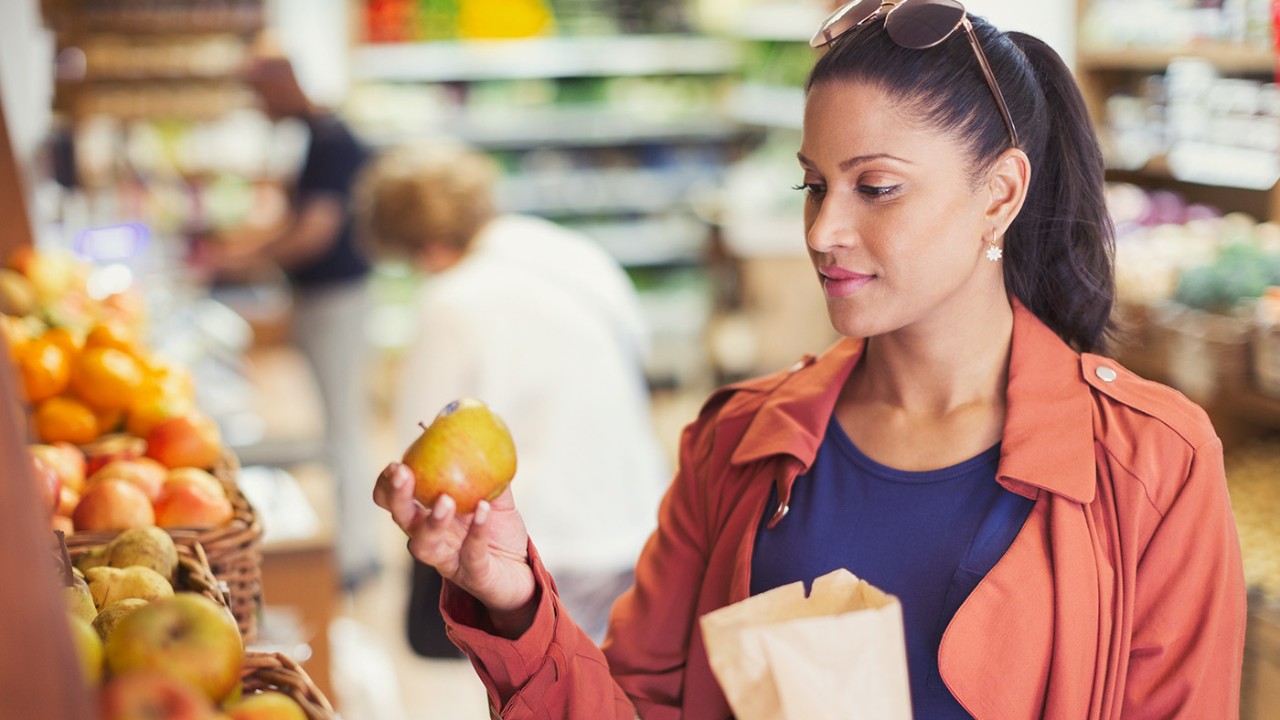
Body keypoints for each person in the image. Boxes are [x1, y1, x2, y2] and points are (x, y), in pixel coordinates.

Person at [372, 1, 1248, 717]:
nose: (825, 231)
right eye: (815, 185)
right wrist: (515, 601)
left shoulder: (1152, 466)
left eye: (877, 187)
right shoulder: (739, 445)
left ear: (1001, 193)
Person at [352, 140, 669, 645]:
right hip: (636, 513)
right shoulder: (574, 252)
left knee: (554, 686)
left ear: (425, 245)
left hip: (547, 537)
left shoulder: (451, 301)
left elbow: (417, 455)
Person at [207, 53, 382, 591]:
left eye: (261, 96)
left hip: (339, 299)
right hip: (319, 298)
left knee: (343, 427)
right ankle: (351, 549)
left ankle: (357, 556)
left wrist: (243, 259)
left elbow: (313, 233)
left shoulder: (332, 142)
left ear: (284, 86)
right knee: (334, 425)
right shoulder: (311, 138)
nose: (259, 108)